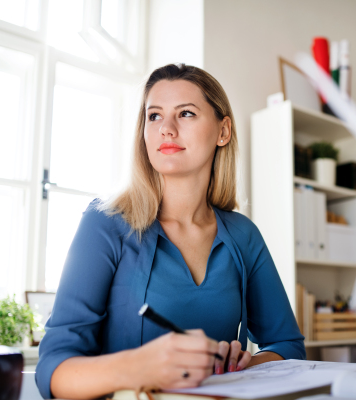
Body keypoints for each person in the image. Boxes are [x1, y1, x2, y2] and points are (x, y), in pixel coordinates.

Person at [35, 64, 305, 399]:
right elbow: (52, 370)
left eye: (186, 113)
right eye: (154, 116)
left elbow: (289, 346)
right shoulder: (105, 222)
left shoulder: (243, 235)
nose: (167, 129)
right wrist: (140, 366)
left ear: (223, 131)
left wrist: (244, 364)